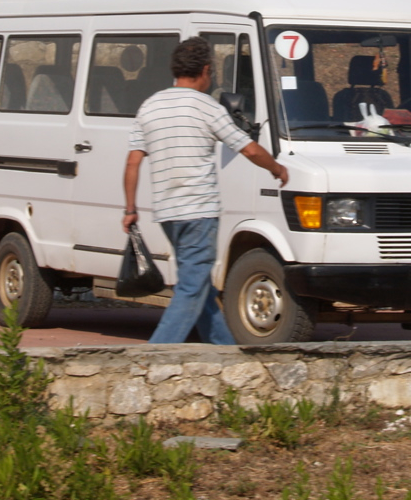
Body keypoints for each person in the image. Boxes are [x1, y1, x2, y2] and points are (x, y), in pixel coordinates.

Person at [122, 36, 288, 344]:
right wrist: (277, 169)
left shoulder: (150, 106)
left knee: (202, 290)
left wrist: (130, 209)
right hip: (199, 214)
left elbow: (132, 163)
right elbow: (249, 149)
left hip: (168, 215)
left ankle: (228, 360)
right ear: (206, 70)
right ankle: (150, 361)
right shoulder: (207, 108)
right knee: (190, 290)